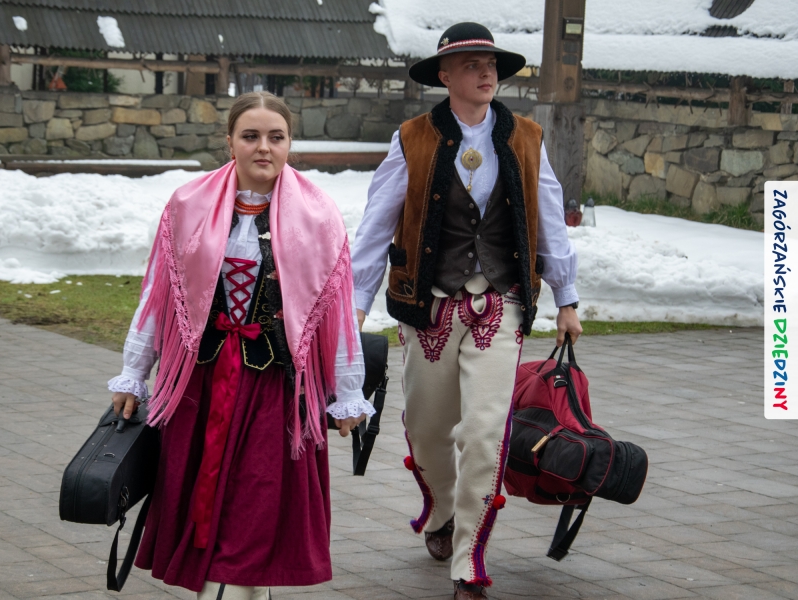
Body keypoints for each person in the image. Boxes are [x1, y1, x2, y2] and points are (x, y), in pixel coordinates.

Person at [108, 91, 374, 600]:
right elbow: (158, 296)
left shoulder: (319, 216)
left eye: (276, 137)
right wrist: (134, 373)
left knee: (256, 503)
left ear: (289, 143)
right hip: (201, 383)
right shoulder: (187, 205)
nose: (263, 148)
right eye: (250, 136)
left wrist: (347, 393)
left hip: (274, 389)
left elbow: (337, 314)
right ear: (229, 142)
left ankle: (240, 591)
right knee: (207, 500)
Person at [351, 23, 583, 600]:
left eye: (491, 64)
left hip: (501, 303)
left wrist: (567, 297)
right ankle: (440, 509)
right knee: (429, 430)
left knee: (483, 432)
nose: (486, 73)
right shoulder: (412, 137)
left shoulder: (526, 137)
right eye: (472, 64)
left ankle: (469, 559)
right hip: (428, 307)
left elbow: (549, 217)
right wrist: (355, 304)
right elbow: (377, 225)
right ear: (445, 75)